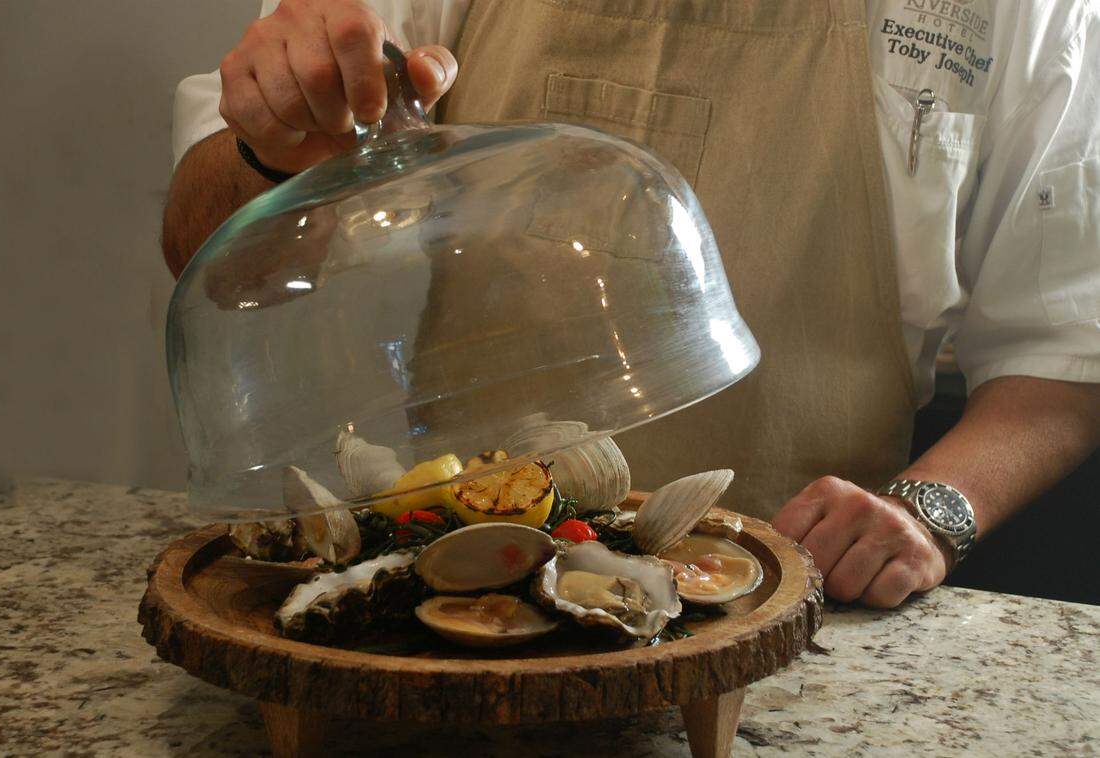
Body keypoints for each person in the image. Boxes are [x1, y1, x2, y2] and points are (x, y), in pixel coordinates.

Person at [163, 0, 1100, 608]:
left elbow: (1066, 344)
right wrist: (270, 150)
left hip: (802, 602)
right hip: (444, 589)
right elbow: (209, 253)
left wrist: (929, 513)